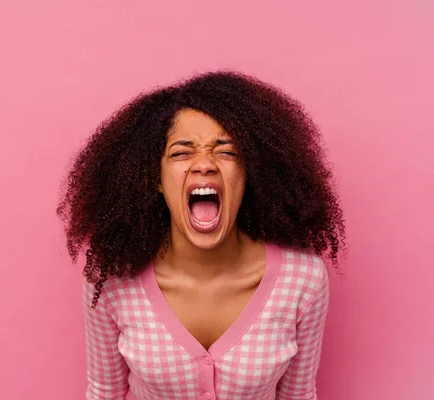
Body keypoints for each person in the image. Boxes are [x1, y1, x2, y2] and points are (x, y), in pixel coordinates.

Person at [57, 71, 345, 400]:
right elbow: (104, 393)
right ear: (155, 178)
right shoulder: (110, 279)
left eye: (226, 152)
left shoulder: (303, 280)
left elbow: (298, 396)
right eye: (181, 152)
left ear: (251, 173)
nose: (204, 163)